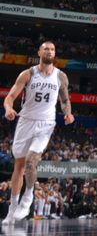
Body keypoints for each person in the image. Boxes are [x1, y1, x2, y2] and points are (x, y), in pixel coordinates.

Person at [3, 41, 74, 224]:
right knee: (18, 167)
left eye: (52, 49)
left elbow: (65, 100)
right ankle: (12, 210)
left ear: (54, 53)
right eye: (46, 49)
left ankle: (28, 197)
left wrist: (68, 113)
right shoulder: (28, 74)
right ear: (39, 52)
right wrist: (8, 109)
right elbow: (10, 97)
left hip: (46, 124)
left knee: (30, 162)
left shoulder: (60, 76)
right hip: (26, 121)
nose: (49, 51)